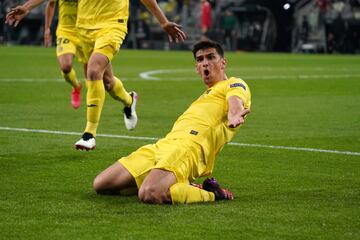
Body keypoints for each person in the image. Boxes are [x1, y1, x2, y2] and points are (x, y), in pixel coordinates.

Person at [6, 0, 187, 151]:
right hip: (83, 28)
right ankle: (129, 101)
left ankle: (89, 134)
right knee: (107, 82)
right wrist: (27, 7)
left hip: (112, 25)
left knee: (93, 71)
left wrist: (163, 21)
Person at [93, 41, 252, 204]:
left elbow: (235, 101)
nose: (205, 63)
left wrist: (234, 115)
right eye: (200, 59)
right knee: (102, 184)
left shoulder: (234, 83)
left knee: (150, 193)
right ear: (197, 68)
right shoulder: (206, 95)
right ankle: (174, 182)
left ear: (223, 63)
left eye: (211, 57)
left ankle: (213, 194)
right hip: (164, 145)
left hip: (189, 148)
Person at [44, 0, 84, 109]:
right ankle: (76, 86)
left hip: (85, 31)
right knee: (65, 67)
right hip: (65, 31)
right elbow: (51, 3)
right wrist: (47, 28)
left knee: (95, 75)